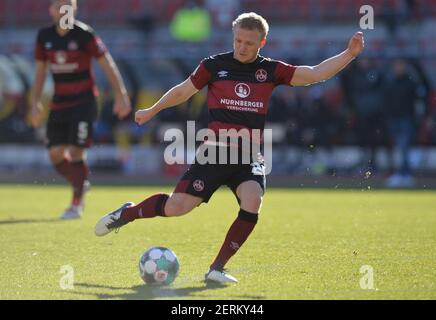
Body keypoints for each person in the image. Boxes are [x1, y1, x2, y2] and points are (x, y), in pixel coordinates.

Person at [95, 12, 364, 283]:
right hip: (215, 152)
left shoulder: (270, 70)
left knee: (253, 200)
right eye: (238, 41)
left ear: (262, 42)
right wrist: (153, 110)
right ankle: (127, 213)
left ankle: (217, 268)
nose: (242, 47)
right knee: (177, 207)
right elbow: (182, 91)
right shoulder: (213, 65)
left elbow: (313, 74)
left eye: (249, 43)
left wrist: (349, 54)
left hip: (248, 155)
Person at [30, 0, 131, 219]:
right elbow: (40, 71)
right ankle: (80, 183)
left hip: (84, 102)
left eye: (68, 5)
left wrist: (121, 95)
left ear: (75, 9)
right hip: (59, 102)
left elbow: (108, 64)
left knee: (76, 151)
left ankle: (76, 203)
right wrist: (35, 101)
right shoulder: (44, 36)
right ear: (51, 10)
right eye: (59, 6)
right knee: (55, 154)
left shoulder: (85, 35)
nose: (63, 9)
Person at [384, 58, 420, 188]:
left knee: (403, 147)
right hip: (394, 119)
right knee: (398, 148)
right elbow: (387, 101)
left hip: (406, 118)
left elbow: (418, 99)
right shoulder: (391, 82)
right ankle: (400, 173)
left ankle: (405, 174)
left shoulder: (410, 82)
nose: (398, 68)